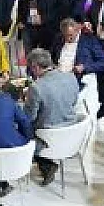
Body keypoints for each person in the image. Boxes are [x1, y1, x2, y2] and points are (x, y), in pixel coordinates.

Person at [22, 48, 80, 181]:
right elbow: (74, 102)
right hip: (73, 131)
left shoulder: (36, 87)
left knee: (19, 128)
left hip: (48, 135)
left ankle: (45, 164)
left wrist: (26, 101)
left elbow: (28, 117)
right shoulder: (71, 77)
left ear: (35, 67)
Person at [52, 17, 104, 87]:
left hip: (79, 79)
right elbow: (52, 57)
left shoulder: (89, 40)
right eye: (65, 36)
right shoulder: (59, 39)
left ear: (77, 31)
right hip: (59, 77)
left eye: (70, 35)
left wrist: (84, 67)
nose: (68, 38)